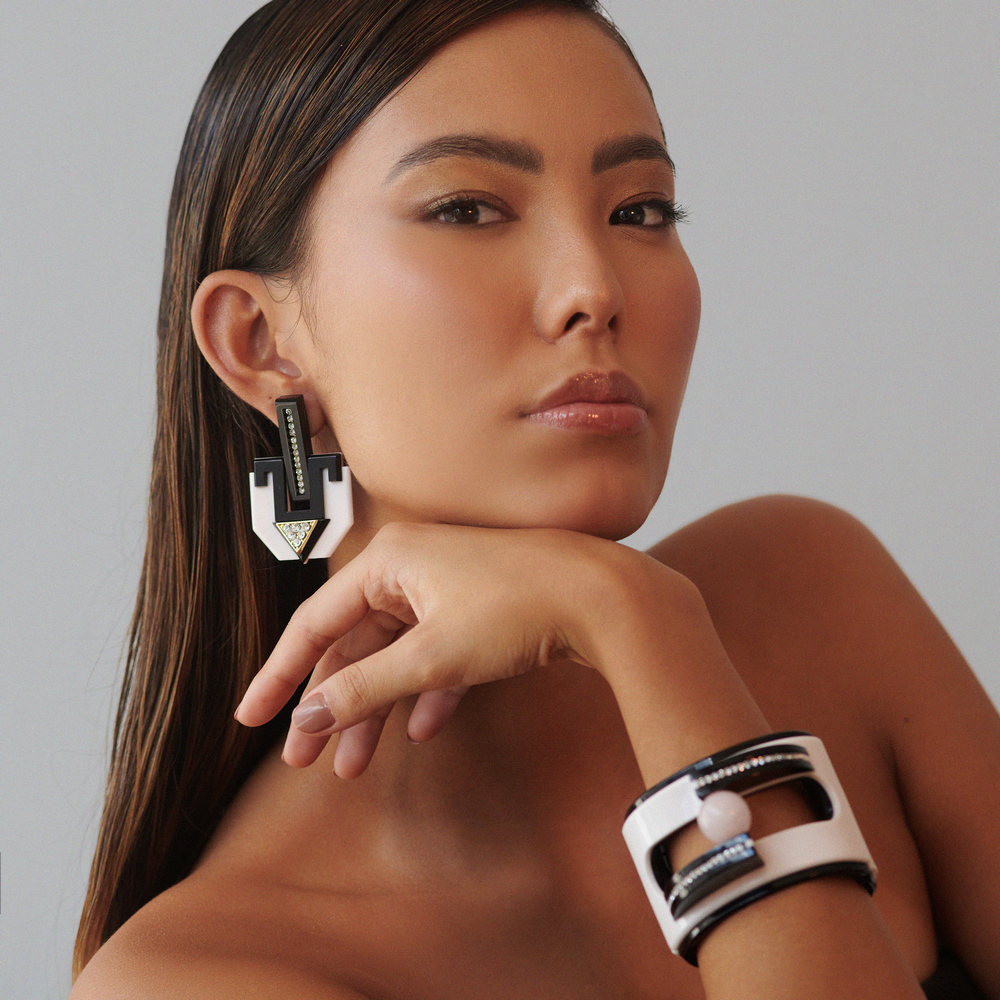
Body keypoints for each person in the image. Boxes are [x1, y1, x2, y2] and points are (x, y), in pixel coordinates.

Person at [70, 1, 999, 997]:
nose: (593, 288)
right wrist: (624, 611)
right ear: (259, 343)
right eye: (467, 209)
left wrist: (645, 631)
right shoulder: (194, 976)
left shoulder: (812, 591)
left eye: (639, 211)